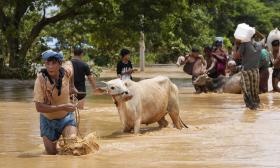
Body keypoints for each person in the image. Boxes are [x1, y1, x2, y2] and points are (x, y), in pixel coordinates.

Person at [33, 50, 77, 155]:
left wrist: (72, 86)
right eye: (47, 63)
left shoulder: (66, 72)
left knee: (73, 148)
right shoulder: (40, 80)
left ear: (60, 64)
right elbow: (39, 108)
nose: (50, 67)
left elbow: (71, 65)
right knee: (51, 154)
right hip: (47, 121)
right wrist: (63, 107)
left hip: (67, 118)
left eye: (54, 63)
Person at [238, 37, 261, 110]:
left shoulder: (244, 44)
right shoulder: (259, 44)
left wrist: (236, 44)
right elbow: (264, 37)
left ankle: (250, 108)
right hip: (256, 71)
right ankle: (256, 106)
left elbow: (236, 56)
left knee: (247, 91)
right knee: (255, 91)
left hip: (246, 71)